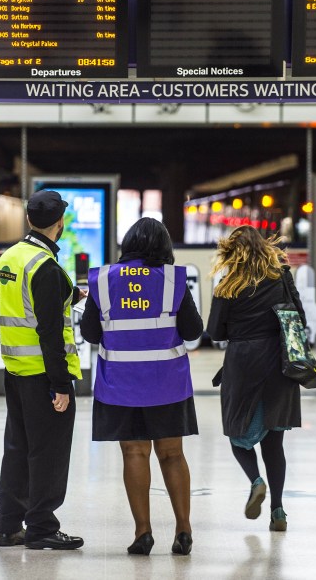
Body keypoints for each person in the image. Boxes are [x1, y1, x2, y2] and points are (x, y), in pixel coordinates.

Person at [80, 217, 203, 556]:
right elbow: (193, 330)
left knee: (135, 453)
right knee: (172, 454)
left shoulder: (103, 280)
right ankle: (183, 529)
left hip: (121, 383)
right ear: (164, 247)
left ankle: (143, 532)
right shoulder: (173, 280)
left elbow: (90, 333)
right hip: (167, 383)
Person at [0, 190, 85, 551]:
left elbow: (26, 303)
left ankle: (8, 525)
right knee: (48, 453)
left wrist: (68, 293)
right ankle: (43, 527)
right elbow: (49, 330)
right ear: (59, 224)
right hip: (44, 376)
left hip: (15, 372)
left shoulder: (11, 257)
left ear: (30, 220)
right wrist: (61, 385)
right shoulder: (46, 267)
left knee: (17, 449)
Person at [207, 225, 305, 533]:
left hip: (242, 362)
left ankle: (256, 481)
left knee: (237, 434)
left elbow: (215, 332)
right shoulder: (282, 277)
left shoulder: (227, 284)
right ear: (265, 248)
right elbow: (298, 316)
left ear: (231, 252)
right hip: (278, 362)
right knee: (274, 442)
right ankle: (278, 511)